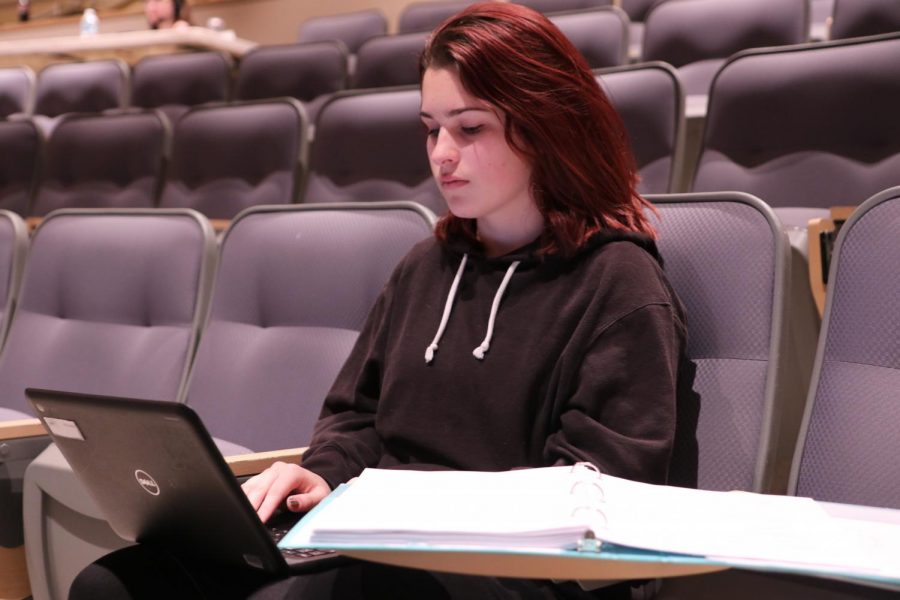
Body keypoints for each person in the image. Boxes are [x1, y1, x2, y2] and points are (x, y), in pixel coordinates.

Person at [69, 3, 696, 598]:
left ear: (545, 130)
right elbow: (357, 417)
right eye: (431, 130)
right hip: (377, 548)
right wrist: (320, 473)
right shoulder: (426, 266)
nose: (442, 155)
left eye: (470, 128)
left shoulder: (619, 283)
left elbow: (597, 498)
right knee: (116, 585)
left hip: (513, 574)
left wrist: (412, 514)